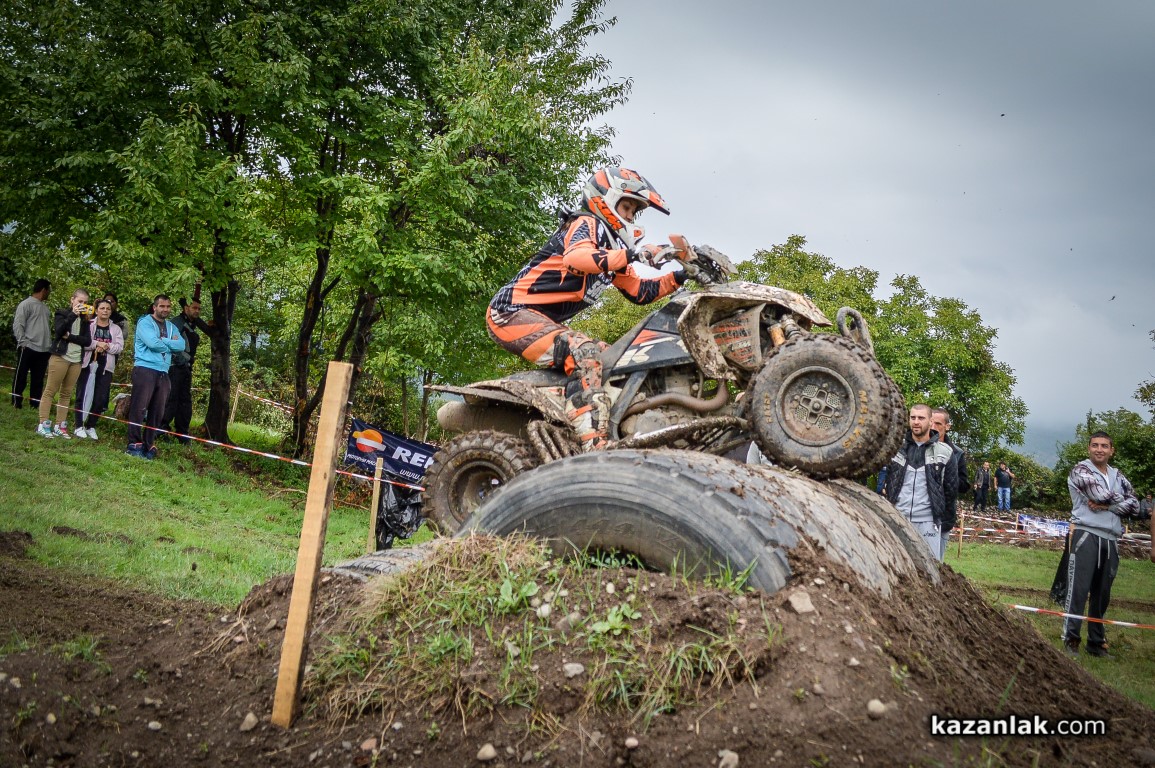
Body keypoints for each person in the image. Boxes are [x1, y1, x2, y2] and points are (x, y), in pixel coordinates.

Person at [486, 167, 691, 449]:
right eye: (627, 207)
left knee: (617, 358)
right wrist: (633, 254)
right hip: (509, 313)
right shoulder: (586, 223)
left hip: (542, 320)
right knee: (584, 351)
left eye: (634, 212)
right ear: (606, 199)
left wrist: (680, 276)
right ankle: (592, 442)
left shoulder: (611, 248)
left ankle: (618, 428)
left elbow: (640, 291)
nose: (630, 216)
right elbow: (576, 258)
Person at [1062, 431, 1138, 657]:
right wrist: (1118, 502)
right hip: (1086, 533)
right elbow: (1098, 494)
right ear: (1088, 448)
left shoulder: (1118, 475)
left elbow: (1135, 505)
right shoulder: (1080, 470)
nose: (1099, 449)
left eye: (1104, 446)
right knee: (1078, 590)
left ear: (1111, 450)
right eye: (1095, 445)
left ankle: (1096, 642)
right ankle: (1071, 640)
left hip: (1111, 538)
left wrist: (1108, 506)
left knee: (1102, 594)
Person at [884, 404, 958, 561]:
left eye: (921, 418)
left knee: (929, 569)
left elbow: (950, 491)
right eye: (913, 418)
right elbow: (886, 481)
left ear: (930, 421)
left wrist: (944, 523)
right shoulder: (896, 448)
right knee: (897, 565)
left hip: (928, 523)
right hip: (898, 517)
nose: (916, 422)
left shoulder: (945, 452)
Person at [126, 295, 185, 459]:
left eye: (168, 306)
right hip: (145, 368)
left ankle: (148, 444)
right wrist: (170, 344)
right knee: (139, 407)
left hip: (164, 371)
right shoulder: (144, 322)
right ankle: (134, 444)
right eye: (162, 306)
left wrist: (163, 340)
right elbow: (152, 343)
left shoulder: (171, 326)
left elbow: (181, 345)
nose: (165, 309)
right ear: (155, 307)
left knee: (158, 411)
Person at [36, 289, 92, 438]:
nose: (82, 305)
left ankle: (60, 426)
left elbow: (87, 341)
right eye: (80, 301)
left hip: (76, 360)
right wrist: (73, 315)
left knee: (66, 394)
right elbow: (59, 331)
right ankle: (43, 424)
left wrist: (71, 337)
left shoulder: (85, 319)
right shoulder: (62, 313)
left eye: (85, 302)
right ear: (72, 300)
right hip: (60, 356)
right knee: (50, 390)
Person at [72, 299, 125, 440]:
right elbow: (83, 342)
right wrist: (97, 344)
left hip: (106, 367)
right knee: (82, 394)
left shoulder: (116, 329)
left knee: (100, 398)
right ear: (96, 310)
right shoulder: (89, 324)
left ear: (111, 312)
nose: (105, 311)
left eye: (108, 308)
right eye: (102, 308)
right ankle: (78, 425)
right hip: (87, 364)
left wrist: (107, 346)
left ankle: (91, 426)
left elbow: (119, 347)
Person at [160, 297, 202, 443]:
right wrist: (183, 361)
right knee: (171, 399)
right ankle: (161, 430)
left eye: (199, 309)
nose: (197, 311)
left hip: (185, 368)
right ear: (186, 308)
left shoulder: (191, 325)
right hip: (174, 367)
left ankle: (182, 433)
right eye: (194, 308)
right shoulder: (176, 323)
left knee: (185, 401)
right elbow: (170, 345)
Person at [931, 408, 968, 558]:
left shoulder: (956, 453)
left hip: (944, 516)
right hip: (919, 513)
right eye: (931, 422)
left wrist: (947, 478)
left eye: (938, 424)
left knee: (936, 561)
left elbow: (964, 485)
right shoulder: (918, 448)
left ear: (947, 426)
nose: (933, 427)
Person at [11, 278, 52, 409]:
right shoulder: (26, 304)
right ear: (44, 290)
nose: (49, 293)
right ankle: (16, 401)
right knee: (21, 376)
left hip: (44, 349)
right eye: (49, 290)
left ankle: (35, 404)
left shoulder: (45, 308)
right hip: (28, 346)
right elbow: (18, 324)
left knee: (38, 379)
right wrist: (23, 342)